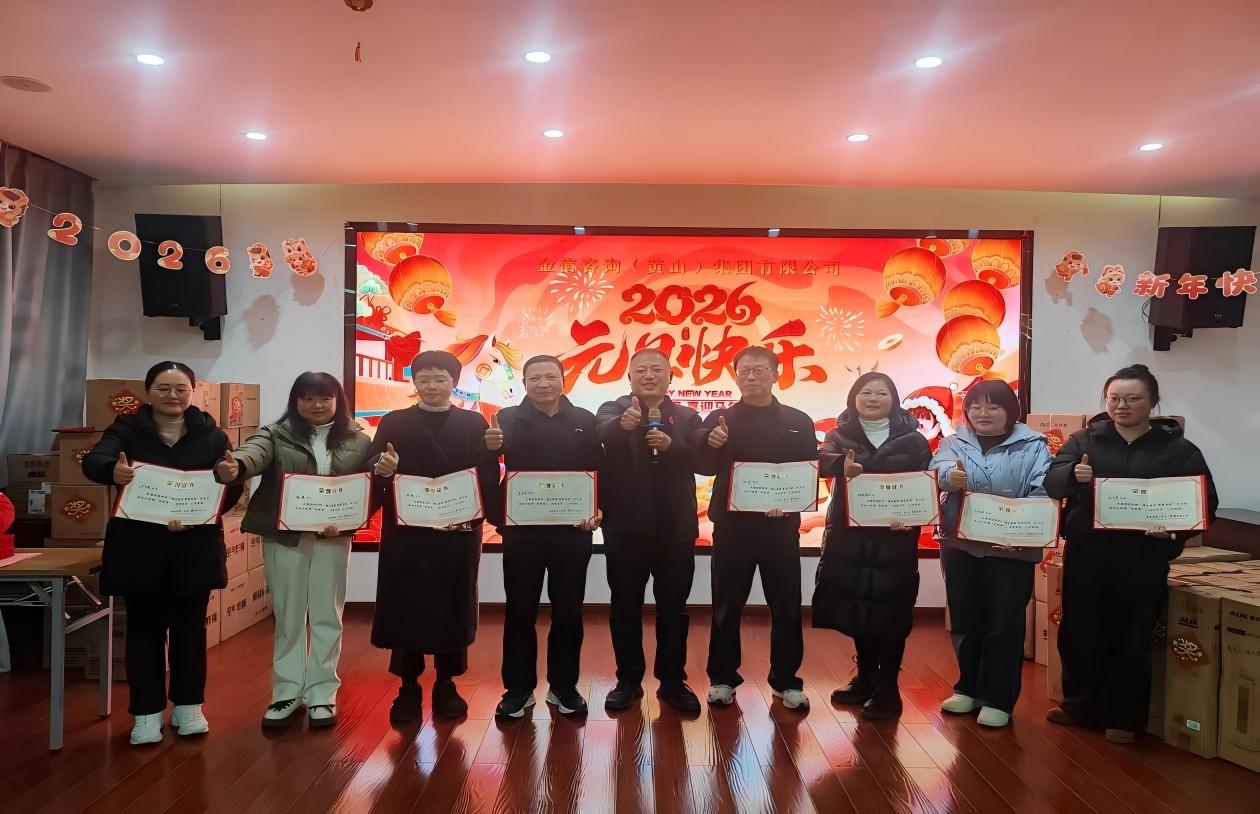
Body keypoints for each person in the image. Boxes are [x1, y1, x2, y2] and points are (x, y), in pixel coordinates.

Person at [1044, 364, 1217, 743]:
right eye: (1114, 398)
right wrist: (1073, 475)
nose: (1121, 405)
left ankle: (1123, 717)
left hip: (1143, 557)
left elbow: (1204, 502)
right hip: (1088, 555)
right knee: (1080, 629)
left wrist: (1173, 530)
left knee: (1132, 634)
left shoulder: (1179, 449)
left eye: (1133, 398)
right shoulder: (1084, 441)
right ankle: (1077, 704)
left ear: (1153, 402)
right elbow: (1053, 485)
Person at [83, 361, 241, 746]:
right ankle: (146, 713)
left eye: (180, 389)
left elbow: (227, 491)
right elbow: (94, 461)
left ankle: (189, 706)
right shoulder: (125, 429)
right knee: (143, 631)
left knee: (190, 631)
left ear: (192, 392)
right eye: (163, 388)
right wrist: (112, 471)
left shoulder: (212, 435)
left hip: (193, 546)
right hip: (140, 547)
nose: (173, 395)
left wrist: (230, 478)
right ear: (148, 391)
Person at [215, 372, 372, 729]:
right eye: (308, 398)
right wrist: (235, 466)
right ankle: (287, 692)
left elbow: (369, 478)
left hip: (333, 537)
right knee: (288, 615)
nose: (317, 405)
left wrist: (383, 470)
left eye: (325, 398)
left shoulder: (359, 438)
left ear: (338, 401)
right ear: (295, 401)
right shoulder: (275, 434)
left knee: (327, 615)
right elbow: (252, 454)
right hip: (285, 537)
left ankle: (321, 693)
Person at [367, 351, 502, 721]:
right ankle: (407, 687)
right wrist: (382, 466)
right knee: (405, 602)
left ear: (453, 383)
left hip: (457, 530)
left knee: (454, 602)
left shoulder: (473, 423)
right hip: (407, 531)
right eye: (423, 379)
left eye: (440, 379)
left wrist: (495, 513)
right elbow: (373, 463)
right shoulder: (394, 421)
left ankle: (446, 683)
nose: (431, 386)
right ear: (414, 382)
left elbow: (487, 472)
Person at [693, 346, 818, 711]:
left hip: (781, 526)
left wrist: (791, 502)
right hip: (733, 527)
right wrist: (710, 443)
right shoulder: (719, 419)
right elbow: (704, 467)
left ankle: (786, 681)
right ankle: (722, 678)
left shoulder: (798, 420)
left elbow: (807, 470)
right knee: (726, 605)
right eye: (744, 370)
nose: (750, 376)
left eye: (759, 370)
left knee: (786, 605)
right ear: (736, 376)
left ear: (775, 375)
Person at [488, 355, 604, 719]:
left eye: (550, 376)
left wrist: (598, 509)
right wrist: (489, 446)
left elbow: (599, 470)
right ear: (524, 383)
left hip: (572, 531)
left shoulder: (585, 420)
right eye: (534, 377)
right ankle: (518, 689)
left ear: (563, 380)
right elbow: (488, 462)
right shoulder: (506, 418)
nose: (542, 383)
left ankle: (564, 686)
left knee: (568, 610)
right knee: (520, 610)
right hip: (522, 530)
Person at [930, 380, 1051, 728]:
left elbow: (1042, 490)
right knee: (965, 619)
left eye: (993, 406)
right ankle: (967, 688)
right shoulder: (953, 442)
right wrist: (949, 478)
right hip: (961, 544)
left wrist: (1021, 530)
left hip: (1012, 547)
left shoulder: (1034, 445)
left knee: (1004, 623)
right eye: (975, 406)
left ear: (1010, 411)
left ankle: (998, 698)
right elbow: (937, 471)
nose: (983, 413)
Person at [812, 372, 931, 720]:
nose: (873, 399)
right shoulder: (839, 435)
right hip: (850, 534)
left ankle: (888, 686)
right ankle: (865, 677)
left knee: (892, 609)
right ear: (854, 398)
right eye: (866, 392)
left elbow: (925, 484)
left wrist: (913, 518)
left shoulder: (914, 440)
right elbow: (820, 461)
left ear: (893, 400)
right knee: (858, 606)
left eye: (881, 393)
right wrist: (841, 465)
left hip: (896, 536)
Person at [596, 348, 703, 713]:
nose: (649, 375)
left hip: (675, 529)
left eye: (657, 369)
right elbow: (603, 432)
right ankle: (628, 680)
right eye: (640, 370)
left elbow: (703, 460)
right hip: (626, 528)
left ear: (670, 376)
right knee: (625, 607)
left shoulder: (687, 416)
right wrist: (623, 425)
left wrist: (673, 446)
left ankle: (672, 682)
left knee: (674, 609)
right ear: (629, 377)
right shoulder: (612, 409)